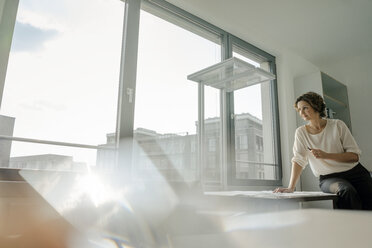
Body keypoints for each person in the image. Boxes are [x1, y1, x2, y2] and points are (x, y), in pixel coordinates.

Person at [274, 91, 372, 210]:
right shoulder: (301, 132)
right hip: (328, 179)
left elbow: (354, 156)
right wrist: (291, 187)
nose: (301, 112)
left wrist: (326, 155)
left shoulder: (338, 125)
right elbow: (299, 160)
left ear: (316, 106)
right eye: (299, 109)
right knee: (346, 190)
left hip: (356, 173)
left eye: (305, 108)